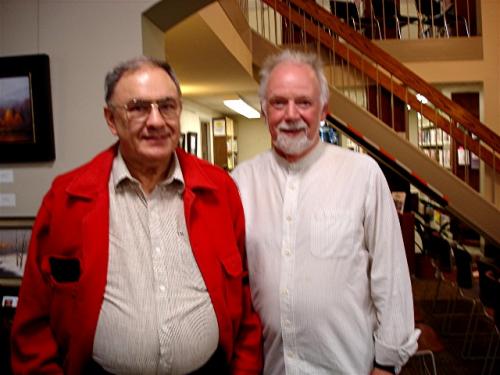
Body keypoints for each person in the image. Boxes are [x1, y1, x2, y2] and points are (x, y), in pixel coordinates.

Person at [11, 56, 262, 375]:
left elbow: (243, 301)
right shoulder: (66, 199)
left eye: (167, 106)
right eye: (138, 107)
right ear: (111, 120)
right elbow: (33, 323)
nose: (156, 121)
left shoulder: (220, 191)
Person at [231, 49, 420, 375]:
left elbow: (390, 278)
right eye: (278, 102)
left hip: (348, 367)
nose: (291, 114)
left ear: (323, 110)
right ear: (264, 110)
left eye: (304, 102)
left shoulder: (362, 174)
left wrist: (387, 365)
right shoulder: (239, 183)